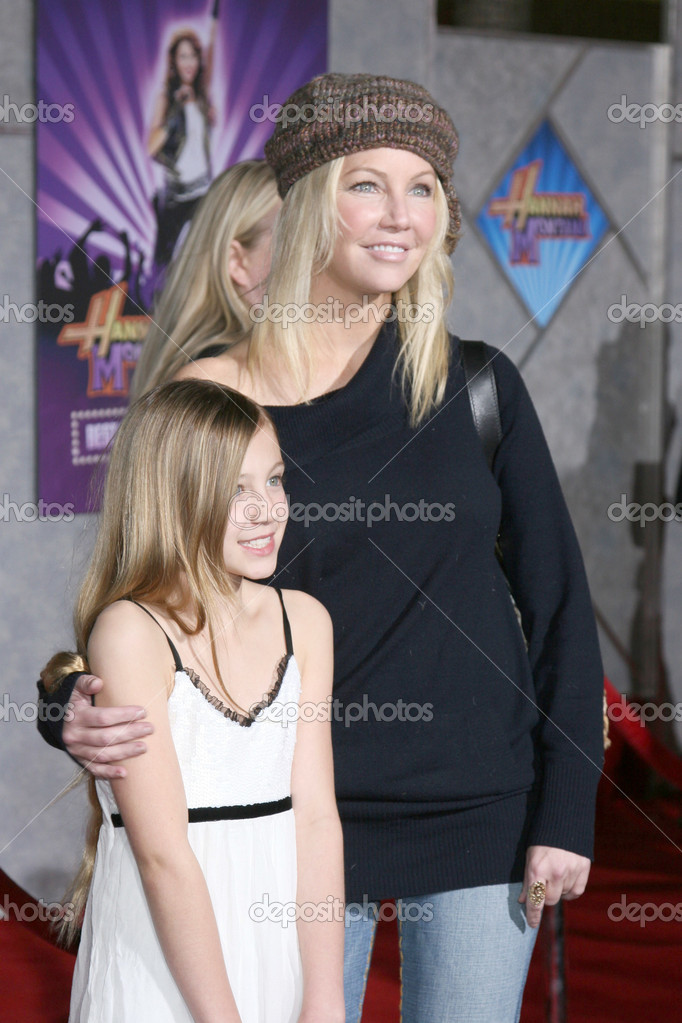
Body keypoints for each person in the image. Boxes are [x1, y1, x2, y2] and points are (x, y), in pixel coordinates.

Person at [38, 74, 604, 1022]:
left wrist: (568, 811)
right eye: (366, 184)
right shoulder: (210, 398)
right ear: (306, 204)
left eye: (423, 187)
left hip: (479, 812)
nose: (400, 215)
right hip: (286, 827)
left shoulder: (475, 385)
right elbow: (138, 594)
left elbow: (558, 607)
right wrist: (70, 704)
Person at [53, 379, 344, 1022]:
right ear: (172, 497)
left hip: (280, 958)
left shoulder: (307, 622)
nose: (267, 509)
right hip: (166, 965)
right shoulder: (131, 633)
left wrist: (325, 999)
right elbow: (163, 856)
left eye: (274, 480)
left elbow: (317, 819)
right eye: (235, 490)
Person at [132, 159, 280, 400]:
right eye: (293, 241)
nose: (317, 258)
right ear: (237, 261)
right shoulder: (221, 378)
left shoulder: (196, 360)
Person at [148, 5, 219, 267]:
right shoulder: (165, 98)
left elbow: (212, 49)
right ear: (174, 62)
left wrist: (214, 17)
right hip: (177, 196)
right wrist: (174, 114)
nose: (189, 63)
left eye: (193, 56)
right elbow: (151, 146)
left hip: (202, 191)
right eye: (183, 56)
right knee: (165, 264)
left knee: (204, 263)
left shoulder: (202, 95)